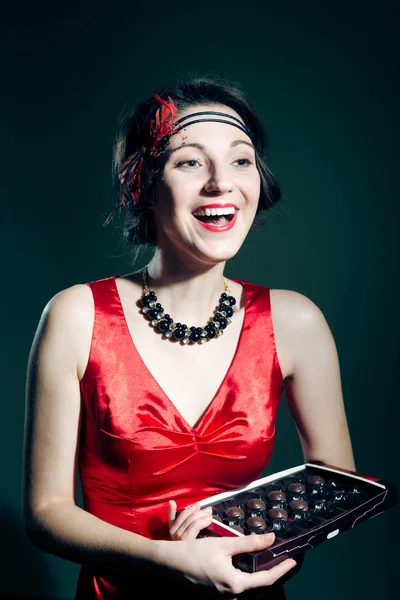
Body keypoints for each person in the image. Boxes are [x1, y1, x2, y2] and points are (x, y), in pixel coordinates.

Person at [22, 75, 356, 600]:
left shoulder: (297, 322)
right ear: (144, 185)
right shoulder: (76, 316)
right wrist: (168, 558)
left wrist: (268, 554)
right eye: (190, 161)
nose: (222, 183)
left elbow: (338, 487)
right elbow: (46, 514)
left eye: (241, 160)